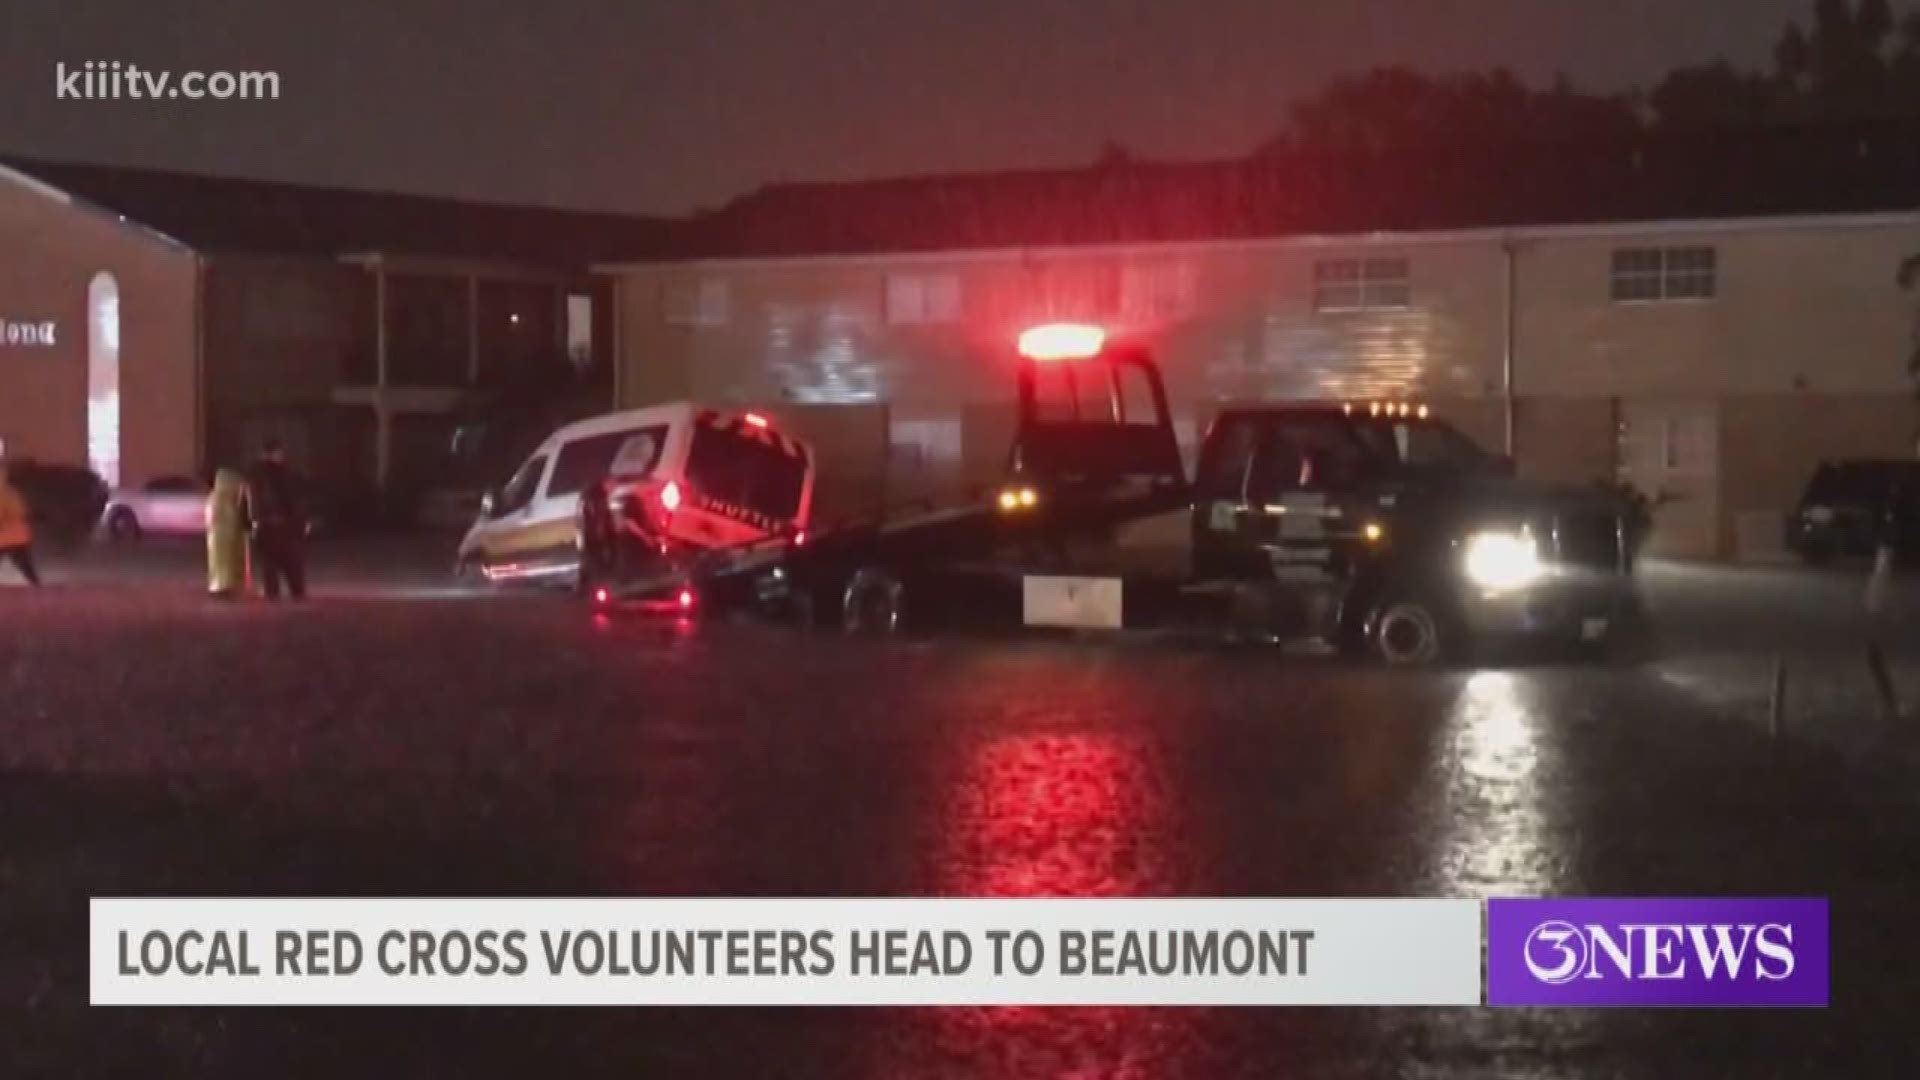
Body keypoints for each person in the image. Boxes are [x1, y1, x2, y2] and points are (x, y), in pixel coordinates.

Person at [243, 439, 307, 600]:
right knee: (289, 559)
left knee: (271, 560)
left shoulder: (255, 473)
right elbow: (292, 498)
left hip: (268, 522)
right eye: (279, 453)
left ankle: (275, 592)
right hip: (281, 523)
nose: (282, 456)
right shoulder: (283, 473)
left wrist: (252, 520)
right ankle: (296, 591)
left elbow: (252, 498)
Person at [205, 468, 249, 598]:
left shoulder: (223, 499)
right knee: (222, 563)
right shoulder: (220, 499)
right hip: (221, 537)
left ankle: (225, 586)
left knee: (226, 563)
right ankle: (221, 586)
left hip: (225, 537)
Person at [0, 459, 42, 587]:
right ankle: (37, 587)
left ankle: (37, 586)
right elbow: (21, 510)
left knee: (25, 565)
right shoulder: (10, 492)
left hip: (11, 536)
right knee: (26, 565)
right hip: (15, 537)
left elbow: (16, 511)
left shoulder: (6, 493)